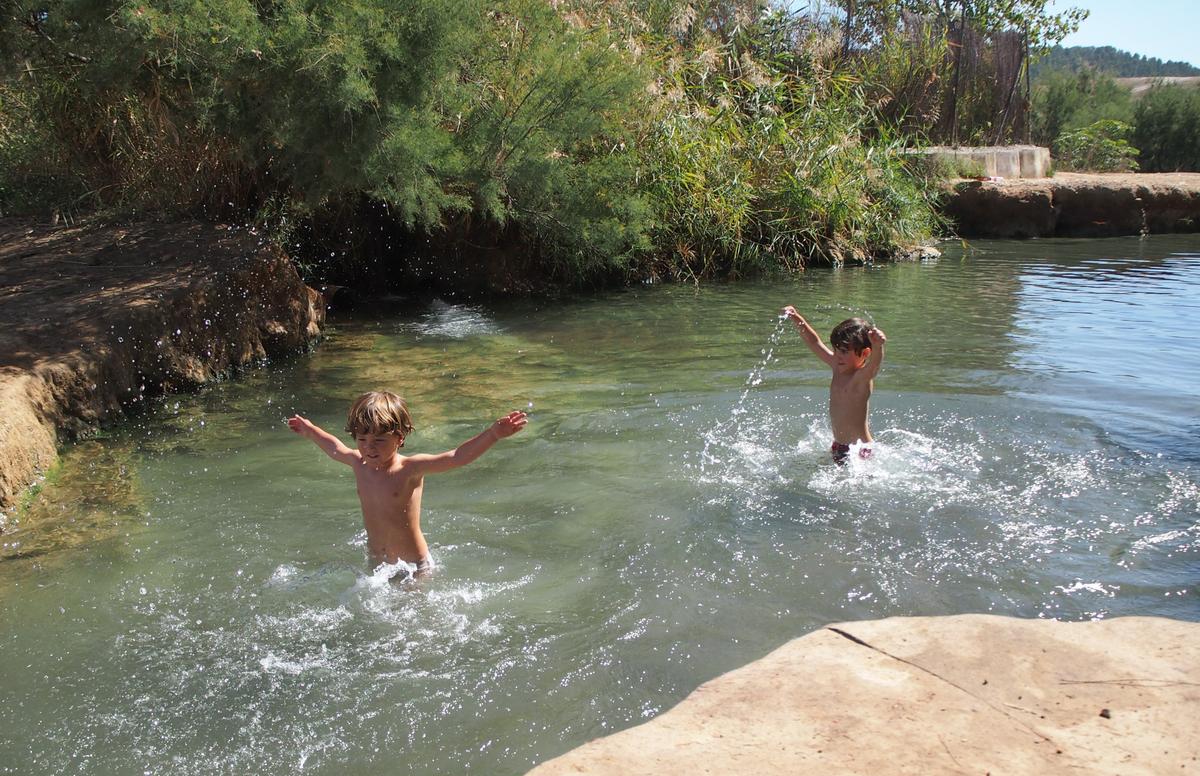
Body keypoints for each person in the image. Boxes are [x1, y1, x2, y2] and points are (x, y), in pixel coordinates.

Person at [287, 391, 527, 577]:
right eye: (362, 439)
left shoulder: (410, 469)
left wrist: (493, 434)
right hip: (377, 564)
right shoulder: (357, 463)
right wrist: (310, 431)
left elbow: (456, 457)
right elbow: (334, 447)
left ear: (399, 438)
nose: (369, 447)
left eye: (379, 440)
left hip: (414, 567)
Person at [781, 307, 886, 464]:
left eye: (844, 351)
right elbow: (814, 342)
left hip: (860, 450)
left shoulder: (861, 378)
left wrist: (878, 346)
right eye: (835, 349)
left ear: (864, 354)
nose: (837, 355)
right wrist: (796, 318)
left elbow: (874, 366)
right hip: (839, 445)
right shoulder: (837, 366)